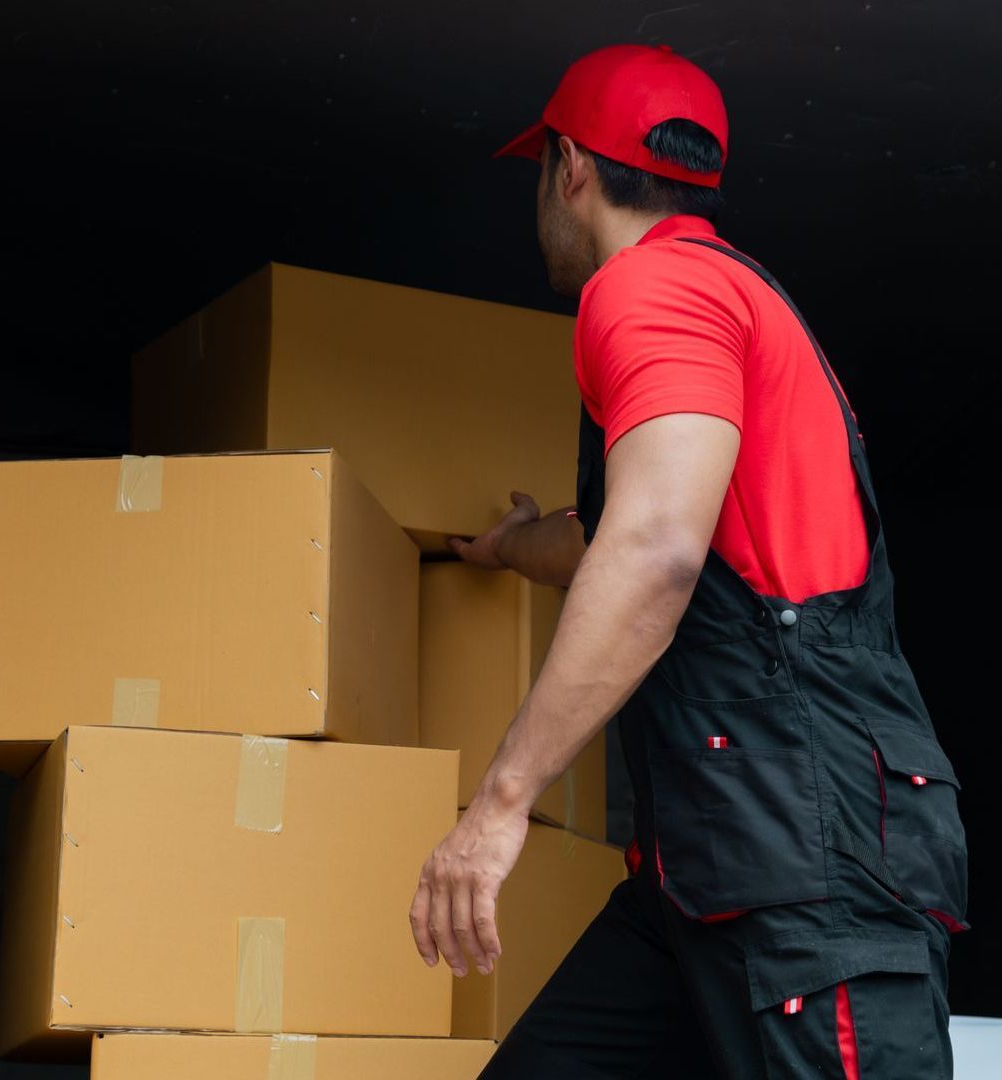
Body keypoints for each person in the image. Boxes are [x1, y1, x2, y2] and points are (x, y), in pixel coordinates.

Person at [408, 43, 969, 1079]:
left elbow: (658, 550)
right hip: (707, 874)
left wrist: (499, 804)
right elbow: (615, 533)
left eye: (542, 171)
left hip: (807, 862)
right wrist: (511, 547)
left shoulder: (651, 292)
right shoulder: (720, 300)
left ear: (569, 166)